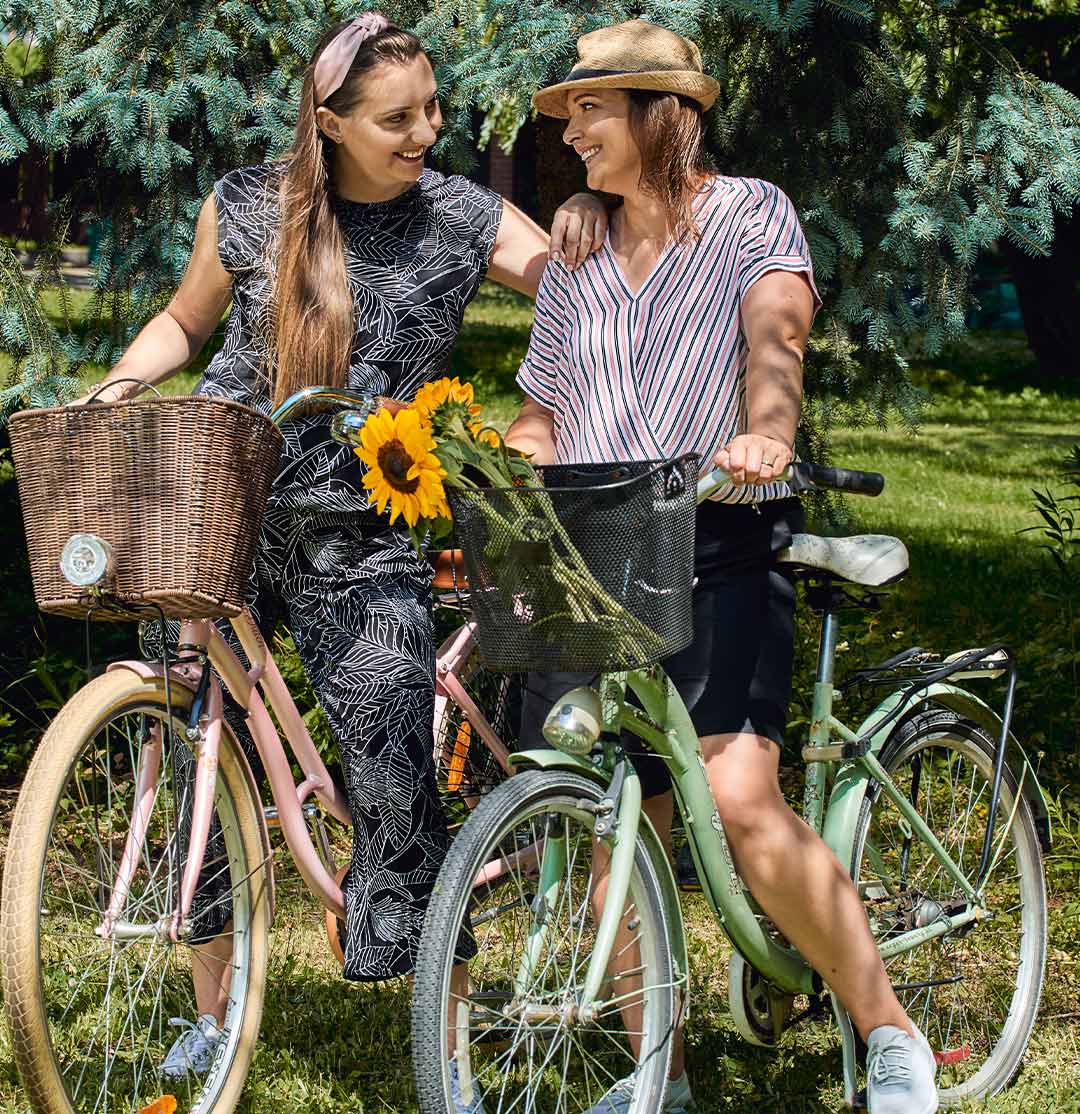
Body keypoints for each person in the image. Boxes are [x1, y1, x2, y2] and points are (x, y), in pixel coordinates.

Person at [83, 11, 607, 1082]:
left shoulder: (461, 217)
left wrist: (596, 238)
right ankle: (212, 1013)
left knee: (389, 740)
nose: (428, 131)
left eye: (432, 108)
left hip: (365, 524)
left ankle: (439, 1012)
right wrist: (125, 382)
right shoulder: (246, 205)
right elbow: (188, 322)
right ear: (328, 123)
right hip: (218, 504)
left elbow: (585, 291)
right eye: (396, 118)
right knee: (186, 744)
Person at [505, 20, 939, 1114]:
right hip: (593, 544)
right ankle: (662, 1073)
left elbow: (777, 331)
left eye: (591, 110)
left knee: (741, 800)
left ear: (661, 114)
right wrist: (503, 465)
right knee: (612, 808)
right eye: (569, 114)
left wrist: (769, 431)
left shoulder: (752, 211)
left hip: (716, 534)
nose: (572, 131)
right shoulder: (576, 249)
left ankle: (889, 1031)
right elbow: (542, 410)